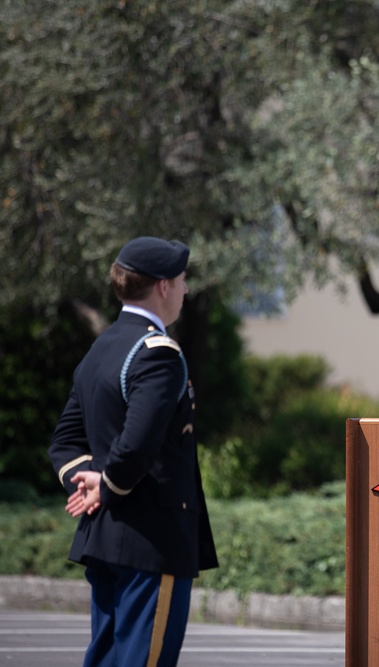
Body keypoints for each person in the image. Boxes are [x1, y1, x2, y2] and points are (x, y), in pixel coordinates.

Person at [48, 236, 218, 667]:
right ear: (162, 286)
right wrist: (105, 483)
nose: (184, 290)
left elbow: (65, 444)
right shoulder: (157, 354)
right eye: (181, 281)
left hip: (105, 536)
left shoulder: (101, 349)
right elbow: (138, 441)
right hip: (151, 538)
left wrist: (88, 479)